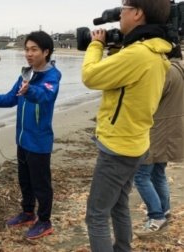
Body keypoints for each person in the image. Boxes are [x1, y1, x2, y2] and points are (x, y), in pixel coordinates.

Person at [81, 0, 172, 251]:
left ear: (138, 13)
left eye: (123, 9)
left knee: (96, 215)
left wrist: (96, 45)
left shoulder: (138, 53)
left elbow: (90, 76)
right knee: (119, 204)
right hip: (136, 142)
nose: (120, 14)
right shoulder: (155, 51)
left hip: (118, 147)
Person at [0, 31, 61, 239]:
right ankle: (28, 213)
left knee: (41, 183)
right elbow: (10, 98)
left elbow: (44, 96)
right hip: (22, 139)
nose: (28, 54)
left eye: (34, 50)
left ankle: (45, 221)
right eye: (27, 49)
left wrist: (29, 90)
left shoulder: (52, 76)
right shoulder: (25, 74)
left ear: (46, 52)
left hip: (39, 141)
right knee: (25, 180)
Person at [134, 44, 184, 238]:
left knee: (141, 175)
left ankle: (156, 216)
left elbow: (147, 99)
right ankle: (164, 210)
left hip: (157, 129)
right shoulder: (179, 68)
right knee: (158, 173)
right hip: (170, 128)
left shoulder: (166, 71)